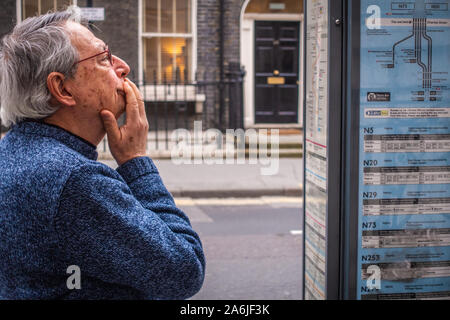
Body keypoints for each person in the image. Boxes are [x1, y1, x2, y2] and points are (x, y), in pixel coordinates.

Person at [0, 7, 205, 300]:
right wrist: (136, 162)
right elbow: (184, 271)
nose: (123, 67)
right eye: (103, 59)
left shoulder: (13, 150)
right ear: (62, 88)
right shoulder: (75, 180)